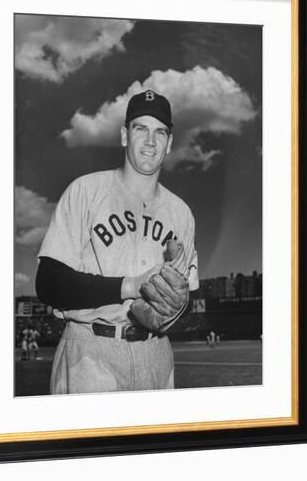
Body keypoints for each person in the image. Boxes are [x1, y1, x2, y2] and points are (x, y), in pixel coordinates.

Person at [36, 90, 199, 394]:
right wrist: (132, 285)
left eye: (160, 132)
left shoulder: (182, 214)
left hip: (157, 356)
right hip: (90, 353)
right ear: (125, 136)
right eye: (141, 128)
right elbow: (48, 283)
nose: (150, 142)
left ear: (170, 143)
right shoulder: (85, 191)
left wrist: (176, 308)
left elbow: (187, 295)